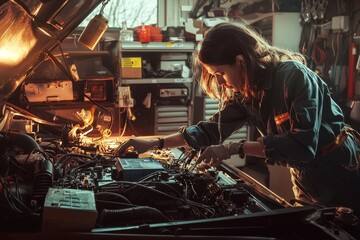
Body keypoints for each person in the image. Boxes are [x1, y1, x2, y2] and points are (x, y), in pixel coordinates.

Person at [116, 22, 360, 217]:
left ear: (241, 61)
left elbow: (303, 145)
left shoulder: (294, 77)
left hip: (338, 172)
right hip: (304, 177)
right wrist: (153, 143)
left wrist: (233, 148)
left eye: (220, 73)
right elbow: (209, 131)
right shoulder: (248, 90)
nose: (220, 82)